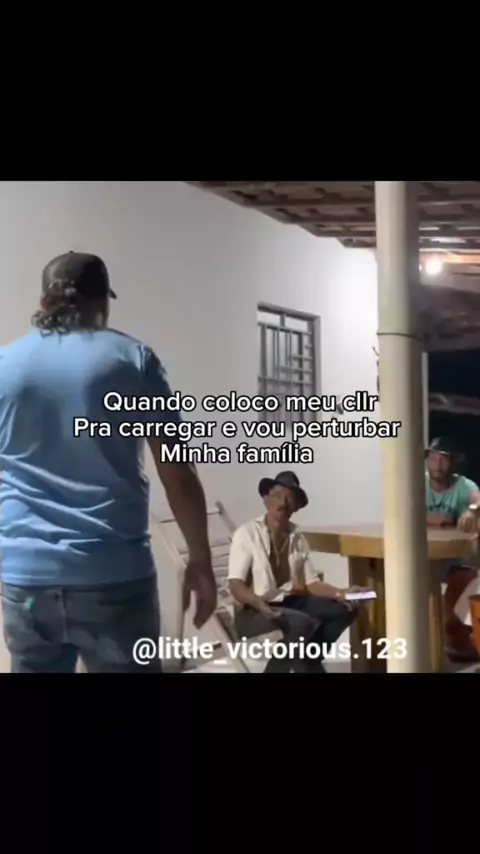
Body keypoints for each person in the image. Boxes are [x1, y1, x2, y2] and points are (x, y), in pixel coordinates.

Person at [0, 251, 216, 673]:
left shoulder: (5, 366)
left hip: (27, 581)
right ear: (102, 301)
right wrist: (200, 558)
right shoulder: (131, 359)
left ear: (44, 301)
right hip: (113, 575)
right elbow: (177, 471)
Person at [228, 471, 369, 673]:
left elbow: (312, 583)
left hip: (288, 602)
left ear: (296, 507)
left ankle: (308, 661)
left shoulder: (296, 537)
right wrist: (259, 604)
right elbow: (235, 585)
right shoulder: (247, 534)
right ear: (266, 500)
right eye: (278, 495)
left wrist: (341, 593)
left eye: (290, 498)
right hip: (253, 611)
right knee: (300, 622)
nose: (283, 503)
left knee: (344, 609)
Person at [425, 437, 480, 661]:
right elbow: (400, 511)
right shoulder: (417, 483)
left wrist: (472, 510)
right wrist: (436, 520)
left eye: (444, 460)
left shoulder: (464, 485)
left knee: (467, 578)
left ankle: (452, 641)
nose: (437, 465)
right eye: (433, 458)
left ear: (454, 463)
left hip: (454, 559)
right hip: (419, 557)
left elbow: (478, 500)